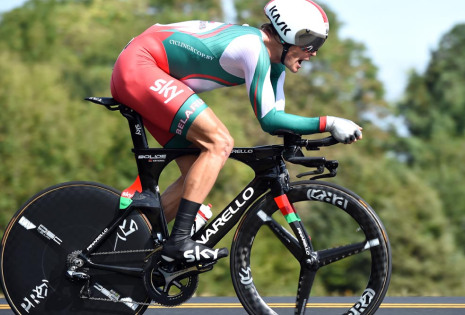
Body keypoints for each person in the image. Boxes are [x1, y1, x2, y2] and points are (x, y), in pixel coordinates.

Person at [110, 0, 362, 264]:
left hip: (151, 72)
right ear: (289, 34)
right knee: (219, 143)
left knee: (197, 172)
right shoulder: (253, 47)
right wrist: (329, 122)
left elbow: (281, 122)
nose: (313, 53)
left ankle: (128, 246)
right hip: (139, 65)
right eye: (312, 43)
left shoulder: (275, 65)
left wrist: (303, 146)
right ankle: (180, 242)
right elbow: (270, 120)